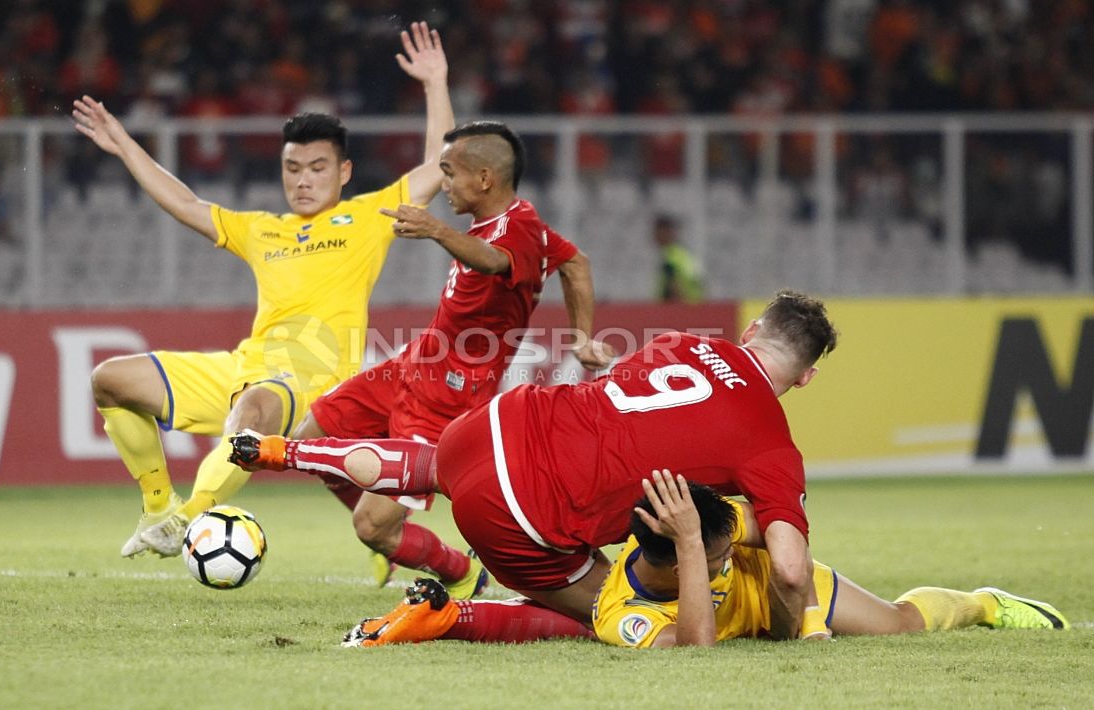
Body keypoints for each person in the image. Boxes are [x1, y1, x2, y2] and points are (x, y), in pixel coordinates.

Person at [232, 290, 836, 637]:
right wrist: (790, 630)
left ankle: (286, 450)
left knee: (427, 465)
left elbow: (638, 404)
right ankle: (444, 618)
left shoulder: (683, 342)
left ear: (754, 329)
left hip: (498, 421)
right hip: (521, 509)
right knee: (617, 610)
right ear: (807, 378)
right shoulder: (773, 447)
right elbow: (788, 570)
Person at [71, 22, 455, 559]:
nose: (303, 180)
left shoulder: (366, 216)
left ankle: (186, 520)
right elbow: (185, 204)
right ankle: (159, 508)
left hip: (313, 377)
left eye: (317, 168)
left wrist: (435, 83)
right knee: (109, 380)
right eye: (292, 168)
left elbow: (439, 165)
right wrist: (125, 147)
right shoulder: (261, 229)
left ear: (344, 172)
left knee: (252, 411)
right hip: (246, 366)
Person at [230, 119, 613, 599]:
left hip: (449, 396)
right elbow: (576, 264)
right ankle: (395, 532)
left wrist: (435, 229)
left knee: (371, 525)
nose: (444, 184)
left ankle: (458, 570)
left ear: (485, 179)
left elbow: (492, 261)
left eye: (450, 173)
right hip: (414, 363)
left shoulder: (518, 229)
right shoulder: (513, 221)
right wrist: (581, 338)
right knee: (315, 442)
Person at [340, 471, 1069, 647]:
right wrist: (699, 550)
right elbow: (694, 654)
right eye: (715, 549)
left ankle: (982, 601)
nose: (729, 552)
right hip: (740, 616)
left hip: (789, 596)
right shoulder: (622, 614)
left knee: (905, 627)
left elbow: (776, 534)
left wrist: (789, 589)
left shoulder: (709, 531)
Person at [653, 215, 702, 303]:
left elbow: (674, 285)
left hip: (683, 309)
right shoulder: (683, 255)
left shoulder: (670, 258)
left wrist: (680, 312)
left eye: (658, 232)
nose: (655, 236)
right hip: (695, 307)